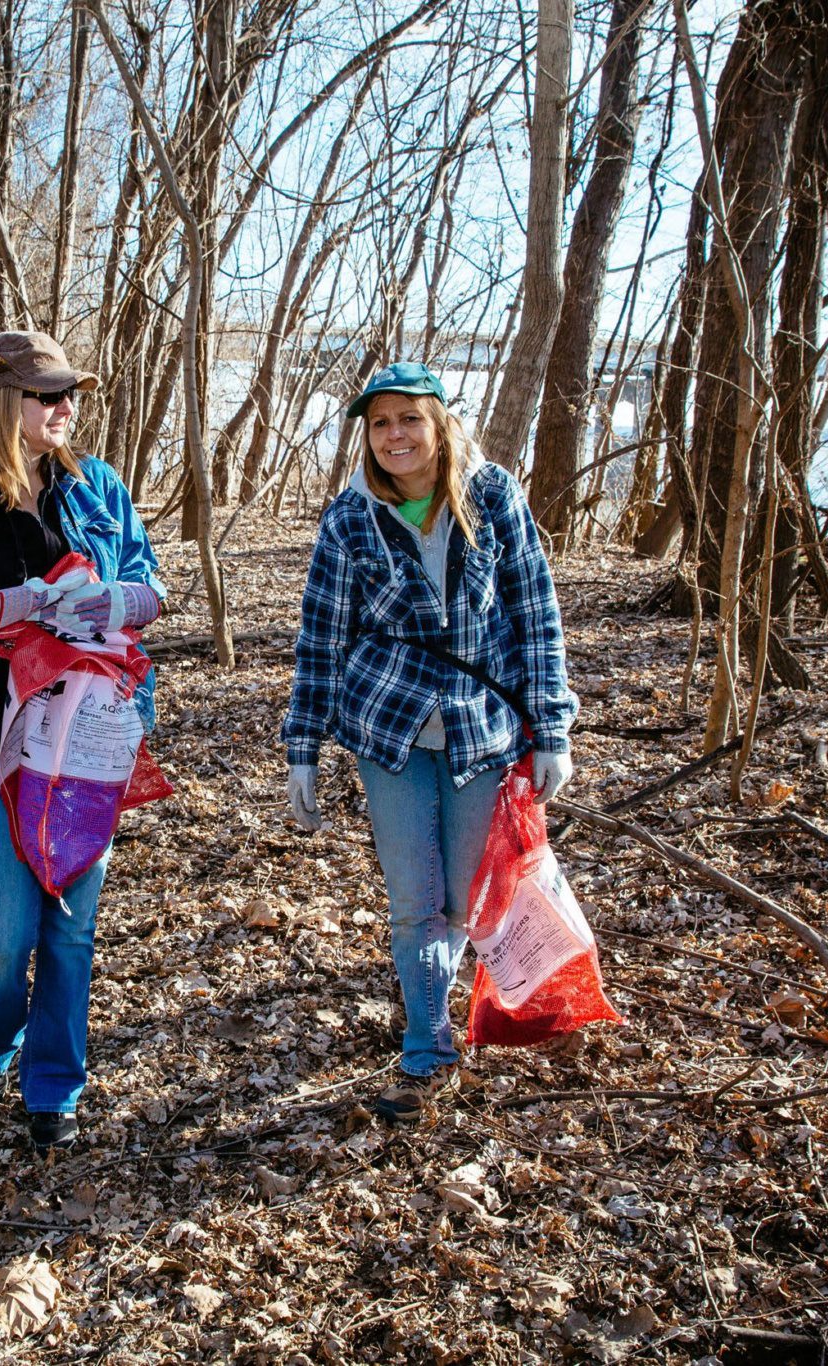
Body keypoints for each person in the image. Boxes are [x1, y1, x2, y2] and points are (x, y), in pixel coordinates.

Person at [281, 361, 578, 1124]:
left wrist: (553, 729)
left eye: (408, 418)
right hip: (391, 730)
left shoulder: (492, 496)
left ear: (440, 421)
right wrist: (303, 747)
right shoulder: (350, 518)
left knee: (462, 898)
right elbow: (322, 636)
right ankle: (427, 1033)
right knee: (415, 899)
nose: (394, 436)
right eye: (379, 424)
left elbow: (536, 615)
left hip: (483, 726)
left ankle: (439, 995)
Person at [0, 331, 166, 1153]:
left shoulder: (98, 486)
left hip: (86, 740)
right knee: (6, 935)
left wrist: (106, 603)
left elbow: (153, 585)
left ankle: (54, 1089)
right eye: (45, 395)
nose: (64, 408)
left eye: (67, 394)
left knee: (72, 928)